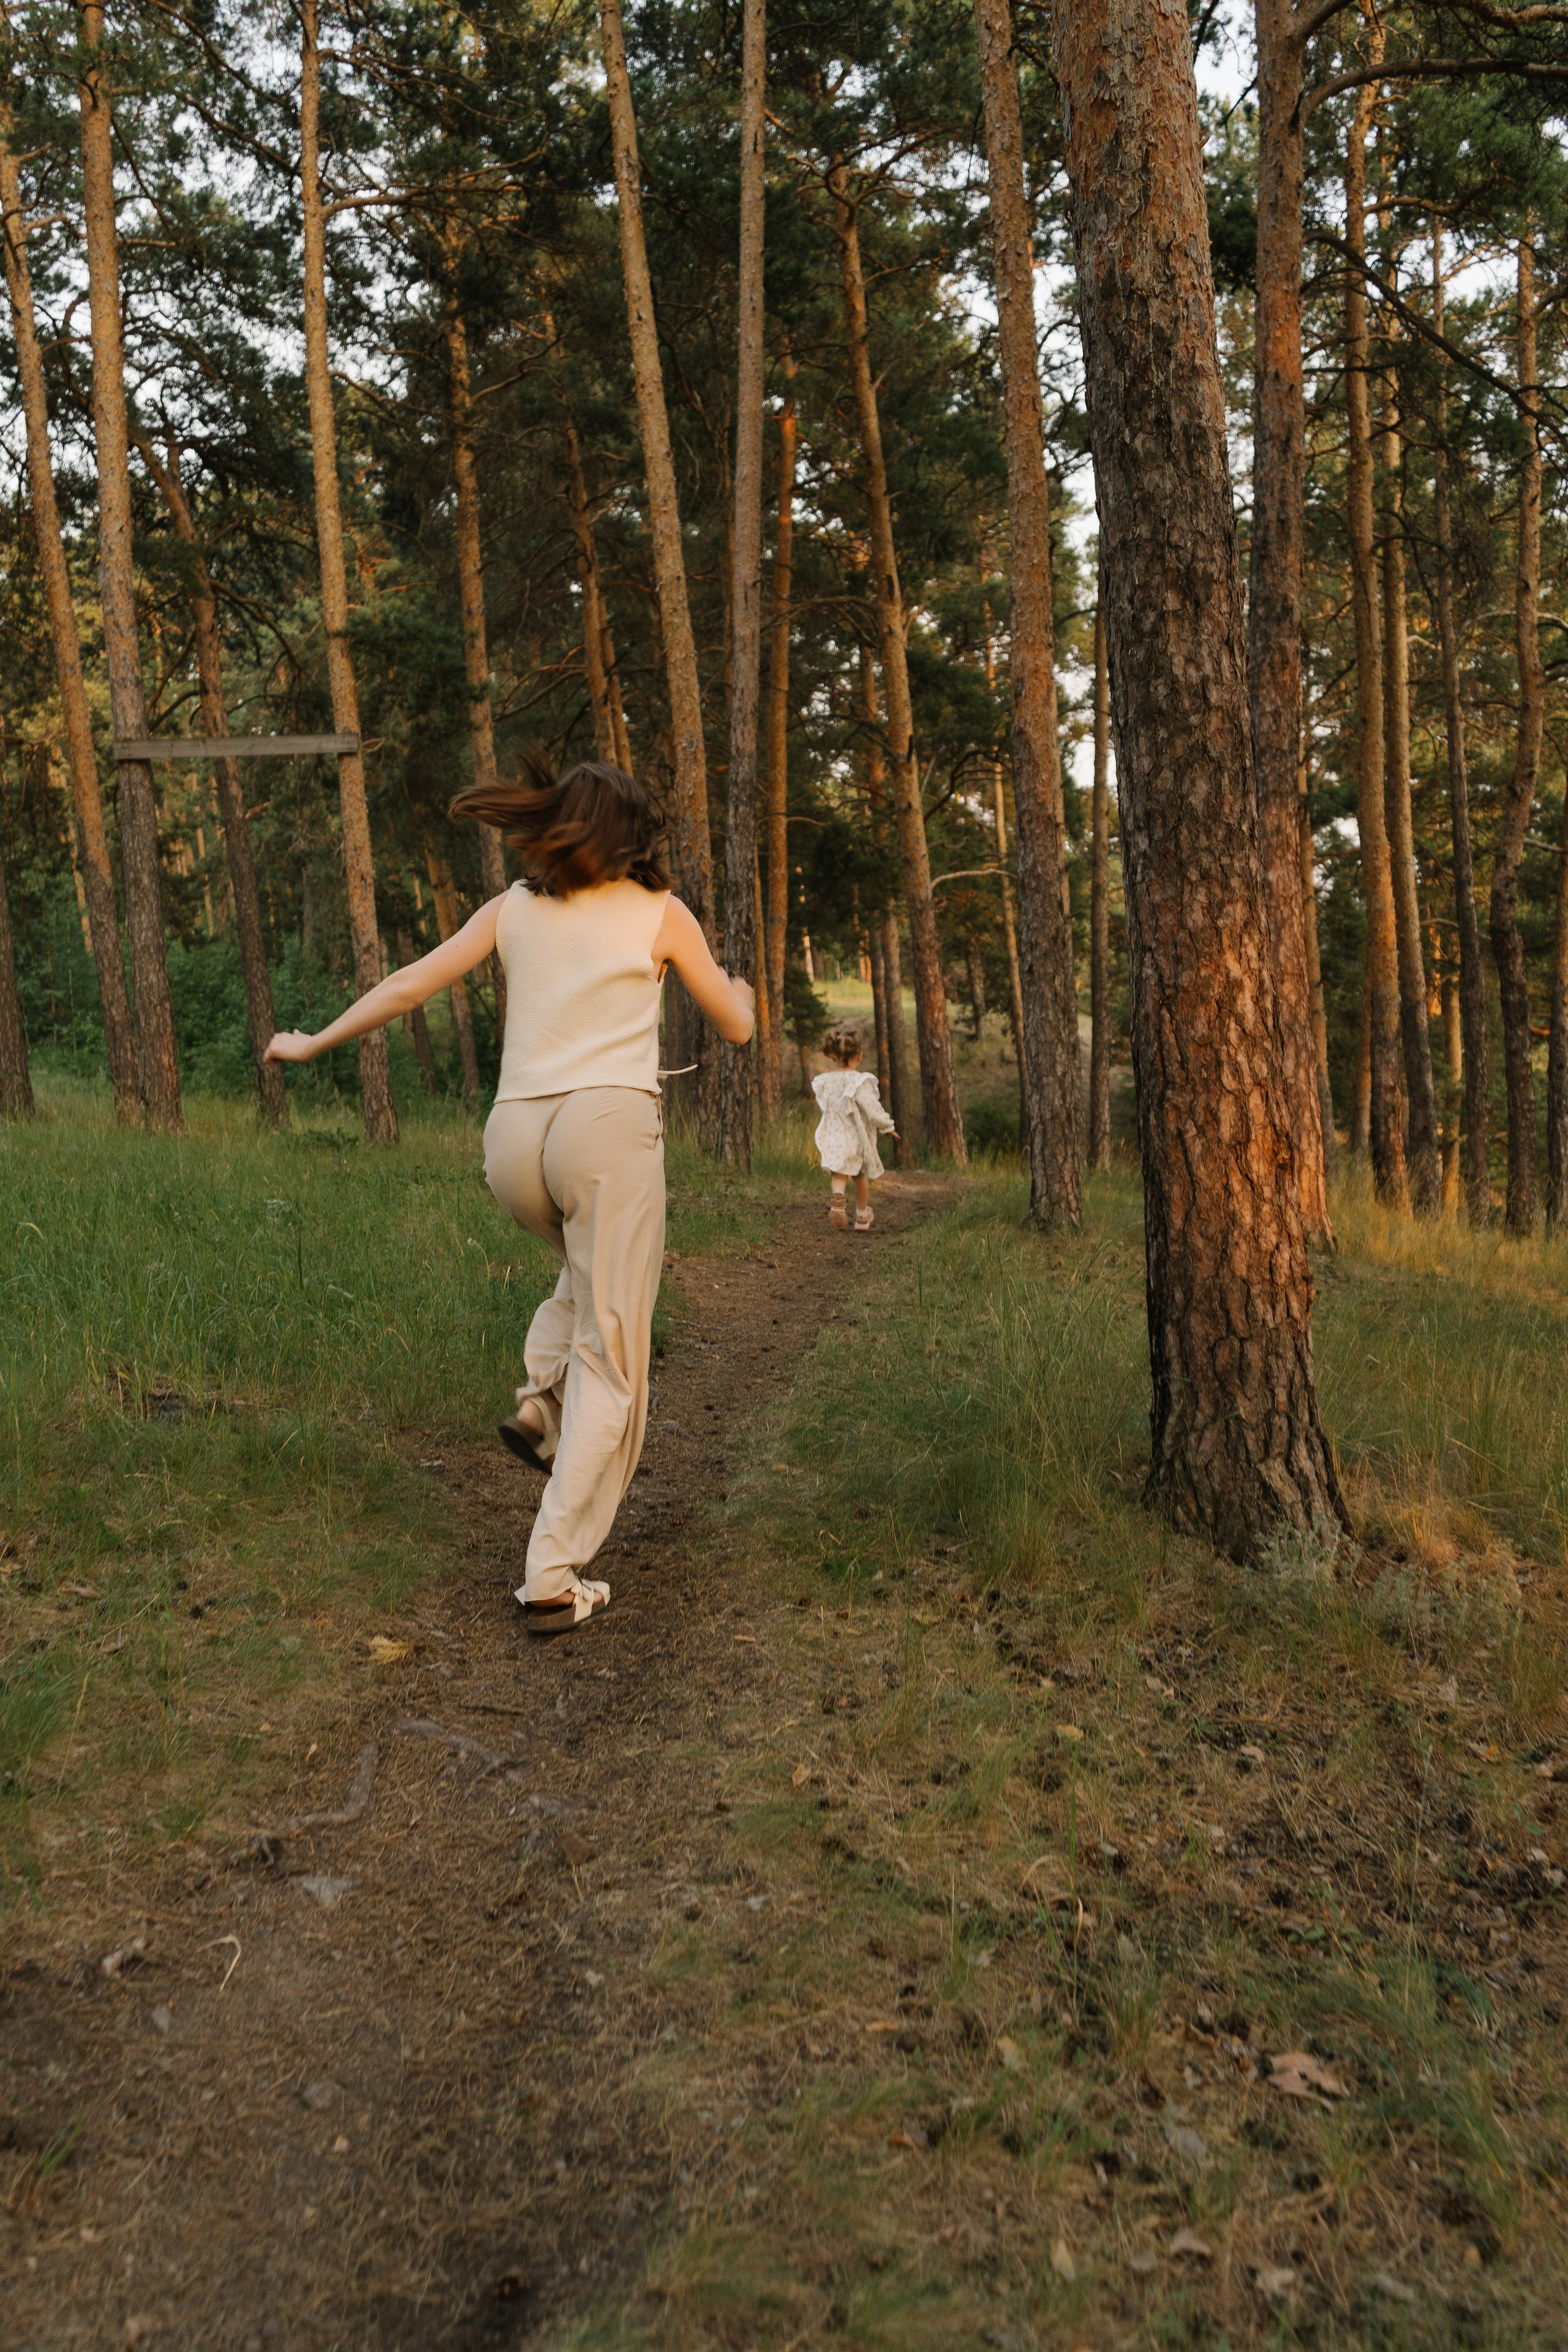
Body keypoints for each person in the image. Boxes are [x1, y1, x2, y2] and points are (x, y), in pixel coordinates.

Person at [265, 758, 754, 1638]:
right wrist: (745, 992)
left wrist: (314, 1044)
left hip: (514, 1144)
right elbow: (737, 1024)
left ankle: (541, 1402)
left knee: (588, 1272)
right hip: (605, 1132)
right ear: (634, 832)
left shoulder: (514, 910)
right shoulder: (661, 914)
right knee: (616, 1351)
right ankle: (553, 1575)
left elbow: (412, 981)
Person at [811, 1021, 897, 1231]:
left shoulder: (826, 1081)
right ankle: (862, 1216)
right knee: (860, 1174)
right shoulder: (859, 1081)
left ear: (833, 1056)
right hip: (856, 1136)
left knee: (838, 1173)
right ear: (858, 1055)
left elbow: (827, 1105)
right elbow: (872, 1107)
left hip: (833, 1135)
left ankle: (838, 1198)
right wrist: (887, 1127)